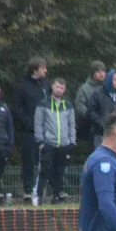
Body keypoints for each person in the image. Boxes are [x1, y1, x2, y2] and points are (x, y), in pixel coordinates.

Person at [12, 57, 50, 202]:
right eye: (43, 68)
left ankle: (42, 188)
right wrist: (29, 123)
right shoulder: (22, 86)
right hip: (28, 131)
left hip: (46, 130)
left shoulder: (46, 85)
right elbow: (18, 109)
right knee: (29, 160)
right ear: (35, 69)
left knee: (46, 160)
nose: (45, 70)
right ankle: (28, 189)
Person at [33, 77, 76, 205]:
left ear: (65, 90)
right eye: (57, 87)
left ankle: (56, 196)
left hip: (63, 144)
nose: (59, 90)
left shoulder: (67, 105)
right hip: (48, 143)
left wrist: (72, 142)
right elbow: (38, 123)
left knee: (59, 171)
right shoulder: (43, 103)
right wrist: (40, 141)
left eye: (62, 88)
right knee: (44, 170)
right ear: (52, 87)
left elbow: (72, 125)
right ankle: (38, 196)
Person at [88, 69, 116, 149]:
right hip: (101, 134)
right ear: (110, 79)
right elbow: (91, 111)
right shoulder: (98, 94)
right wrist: (101, 124)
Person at [75, 61, 106, 148]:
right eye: (98, 71)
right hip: (89, 128)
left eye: (103, 71)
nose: (101, 74)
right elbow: (80, 106)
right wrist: (92, 116)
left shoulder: (106, 88)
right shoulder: (85, 88)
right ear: (92, 73)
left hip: (105, 127)